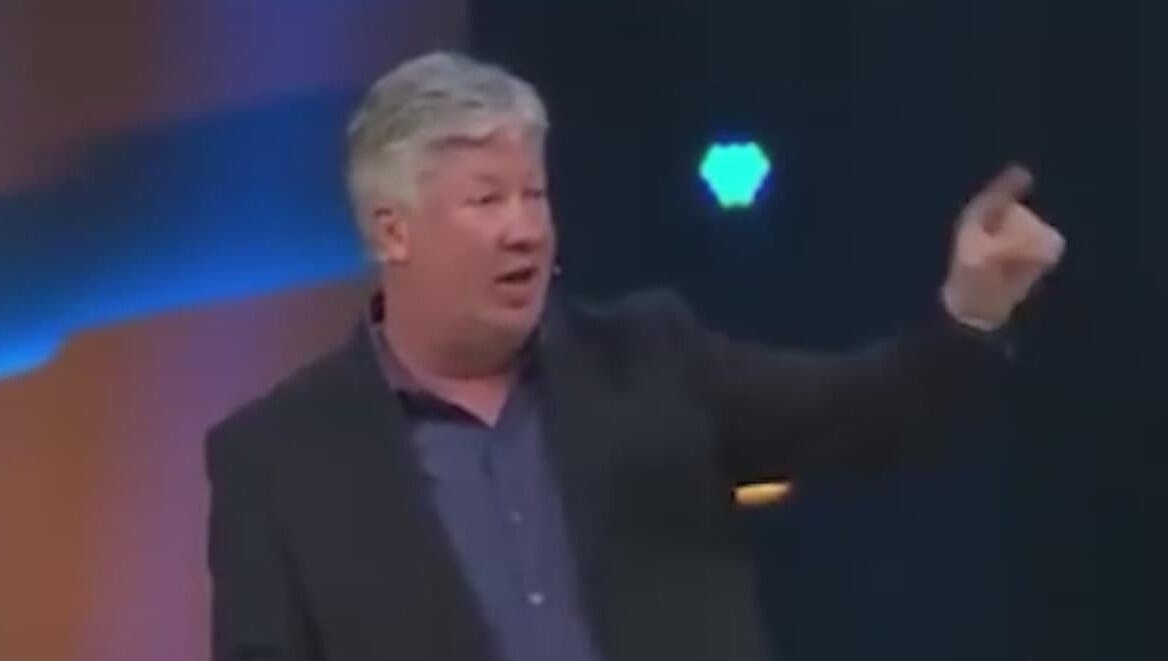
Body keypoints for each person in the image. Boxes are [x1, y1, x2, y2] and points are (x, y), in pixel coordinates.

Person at [204, 51, 1065, 661]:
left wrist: (971, 310)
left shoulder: (651, 359)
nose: (525, 227)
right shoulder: (275, 459)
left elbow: (863, 413)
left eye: (534, 193)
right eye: (487, 199)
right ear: (392, 231)